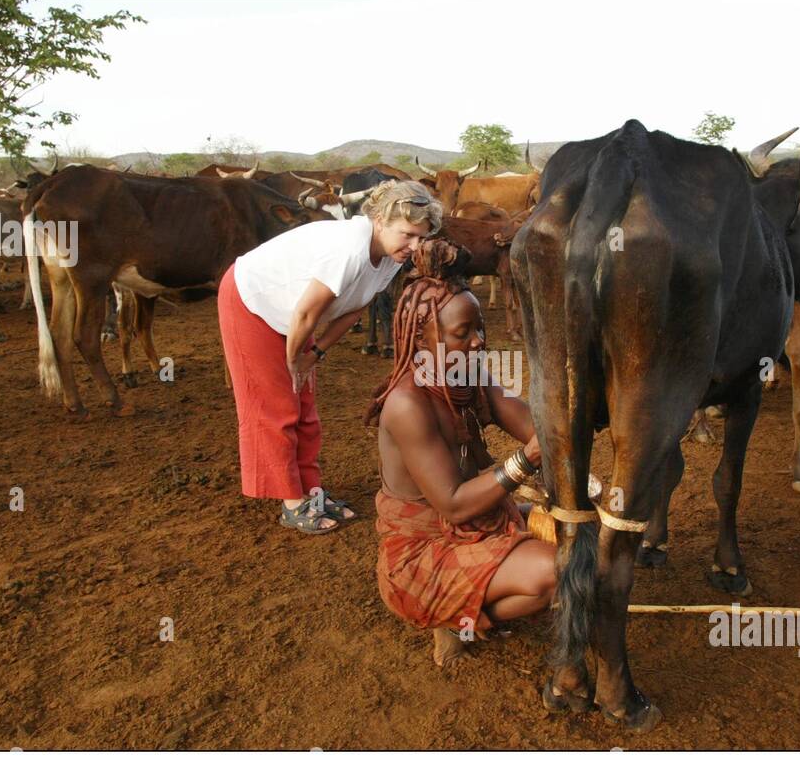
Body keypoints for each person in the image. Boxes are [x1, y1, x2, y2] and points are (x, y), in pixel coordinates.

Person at [364, 239, 559, 667]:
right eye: (462, 333)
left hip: (479, 522)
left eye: (480, 328)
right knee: (555, 573)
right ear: (420, 337)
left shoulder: (468, 374)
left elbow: (535, 427)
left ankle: (473, 599)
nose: (478, 342)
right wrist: (527, 460)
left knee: (574, 533)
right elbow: (452, 504)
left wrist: (563, 416)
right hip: (423, 555)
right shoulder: (406, 404)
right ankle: (453, 620)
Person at [218, 179, 441, 534]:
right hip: (253, 302)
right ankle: (291, 501)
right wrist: (294, 361)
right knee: (277, 405)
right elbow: (307, 314)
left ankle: (312, 490)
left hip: (293, 317)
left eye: (421, 238)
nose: (415, 246)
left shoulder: (390, 256)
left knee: (305, 406)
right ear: (380, 220)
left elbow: (355, 309)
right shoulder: (348, 251)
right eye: (408, 235)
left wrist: (314, 355)